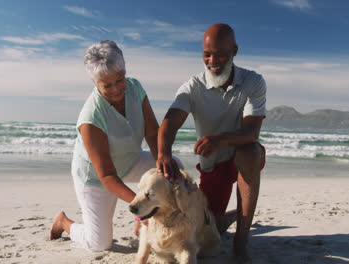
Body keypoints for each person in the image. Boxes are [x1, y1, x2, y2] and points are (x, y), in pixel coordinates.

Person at [156, 23, 266, 262]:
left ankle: (241, 241)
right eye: (207, 54)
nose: (212, 60)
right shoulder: (192, 87)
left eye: (220, 53)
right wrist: (164, 153)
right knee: (210, 229)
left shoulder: (253, 81)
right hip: (212, 165)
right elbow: (170, 123)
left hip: (240, 155)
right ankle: (231, 215)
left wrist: (222, 139)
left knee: (251, 152)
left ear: (234, 51)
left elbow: (252, 131)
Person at [49, 40, 163, 251]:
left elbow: (153, 132)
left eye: (119, 80)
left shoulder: (135, 87)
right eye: (107, 85)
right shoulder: (90, 117)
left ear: (125, 71)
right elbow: (108, 176)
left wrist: (162, 166)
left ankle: (140, 224)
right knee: (99, 244)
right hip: (96, 179)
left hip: (130, 161)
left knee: (171, 164)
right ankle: (64, 222)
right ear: (95, 82)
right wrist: (143, 208)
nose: (117, 89)